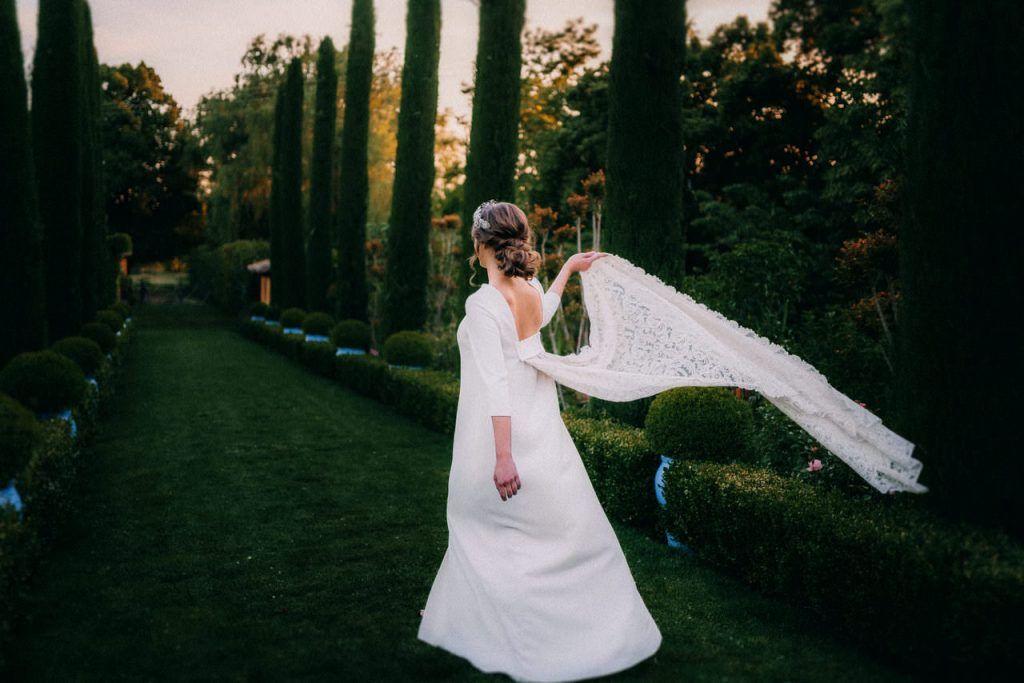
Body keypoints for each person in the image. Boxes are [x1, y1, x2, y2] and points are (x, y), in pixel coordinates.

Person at [417, 200, 662, 682]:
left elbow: (495, 381)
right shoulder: (525, 290)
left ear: (479, 243)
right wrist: (569, 266)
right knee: (536, 527)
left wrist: (503, 457)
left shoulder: (485, 302)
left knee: (477, 520)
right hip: (539, 420)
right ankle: (465, 620)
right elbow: (545, 313)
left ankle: (514, 635)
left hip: (501, 428)